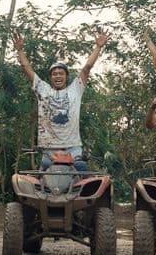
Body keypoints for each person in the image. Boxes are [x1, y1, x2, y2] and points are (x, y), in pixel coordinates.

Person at [12, 31, 109, 172]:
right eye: (54, 74)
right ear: (51, 77)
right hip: (49, 148)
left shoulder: (75, 89)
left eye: (61, 73)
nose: (58, 76)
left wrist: (98, 47)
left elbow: (87, 68)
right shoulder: (43, 89)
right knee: (44, 174)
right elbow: (27, 69)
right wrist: (20, 50)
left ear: (66, 76)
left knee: (82, 169)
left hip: (73, 147)